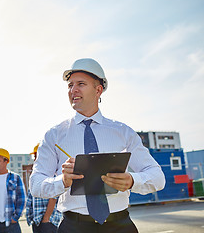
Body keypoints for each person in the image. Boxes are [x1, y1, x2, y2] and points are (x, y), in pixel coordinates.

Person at [29, 58, 166, 233]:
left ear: (98, 89)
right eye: (70, 85)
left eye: (81, 84)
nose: (73, 90)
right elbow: (35, 185)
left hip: (120, 226)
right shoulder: (53, 135)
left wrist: (132, 180)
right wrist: (62, 181)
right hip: (74, 227)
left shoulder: (124, 132)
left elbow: (157, 177)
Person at [26, 144, 62, 233]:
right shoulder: (35, 176)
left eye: (36, 156)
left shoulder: (52, 174)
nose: (35, 159)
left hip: (49, 222)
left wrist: (46, 219)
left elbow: (53, 198)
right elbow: (31, 198)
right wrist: (30, 217)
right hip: (37, 221)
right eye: (34, 156)